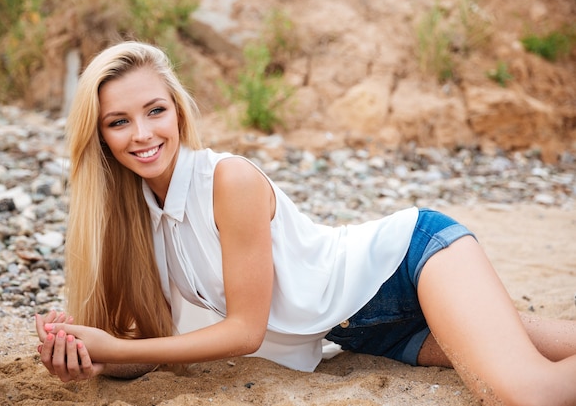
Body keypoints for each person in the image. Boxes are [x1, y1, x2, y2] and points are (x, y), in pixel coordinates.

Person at [35, 41, 576, 406]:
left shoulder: (228, 180)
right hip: (366, 331)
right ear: (100, 137)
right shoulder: (143, 224)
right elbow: (157, 345)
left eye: (155, 110)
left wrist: (119, 349)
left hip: (407, 265)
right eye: (118, 121)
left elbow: (245, 332)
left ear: (178, 110)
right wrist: (93, 357)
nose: (142, 133)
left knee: (530, 393)